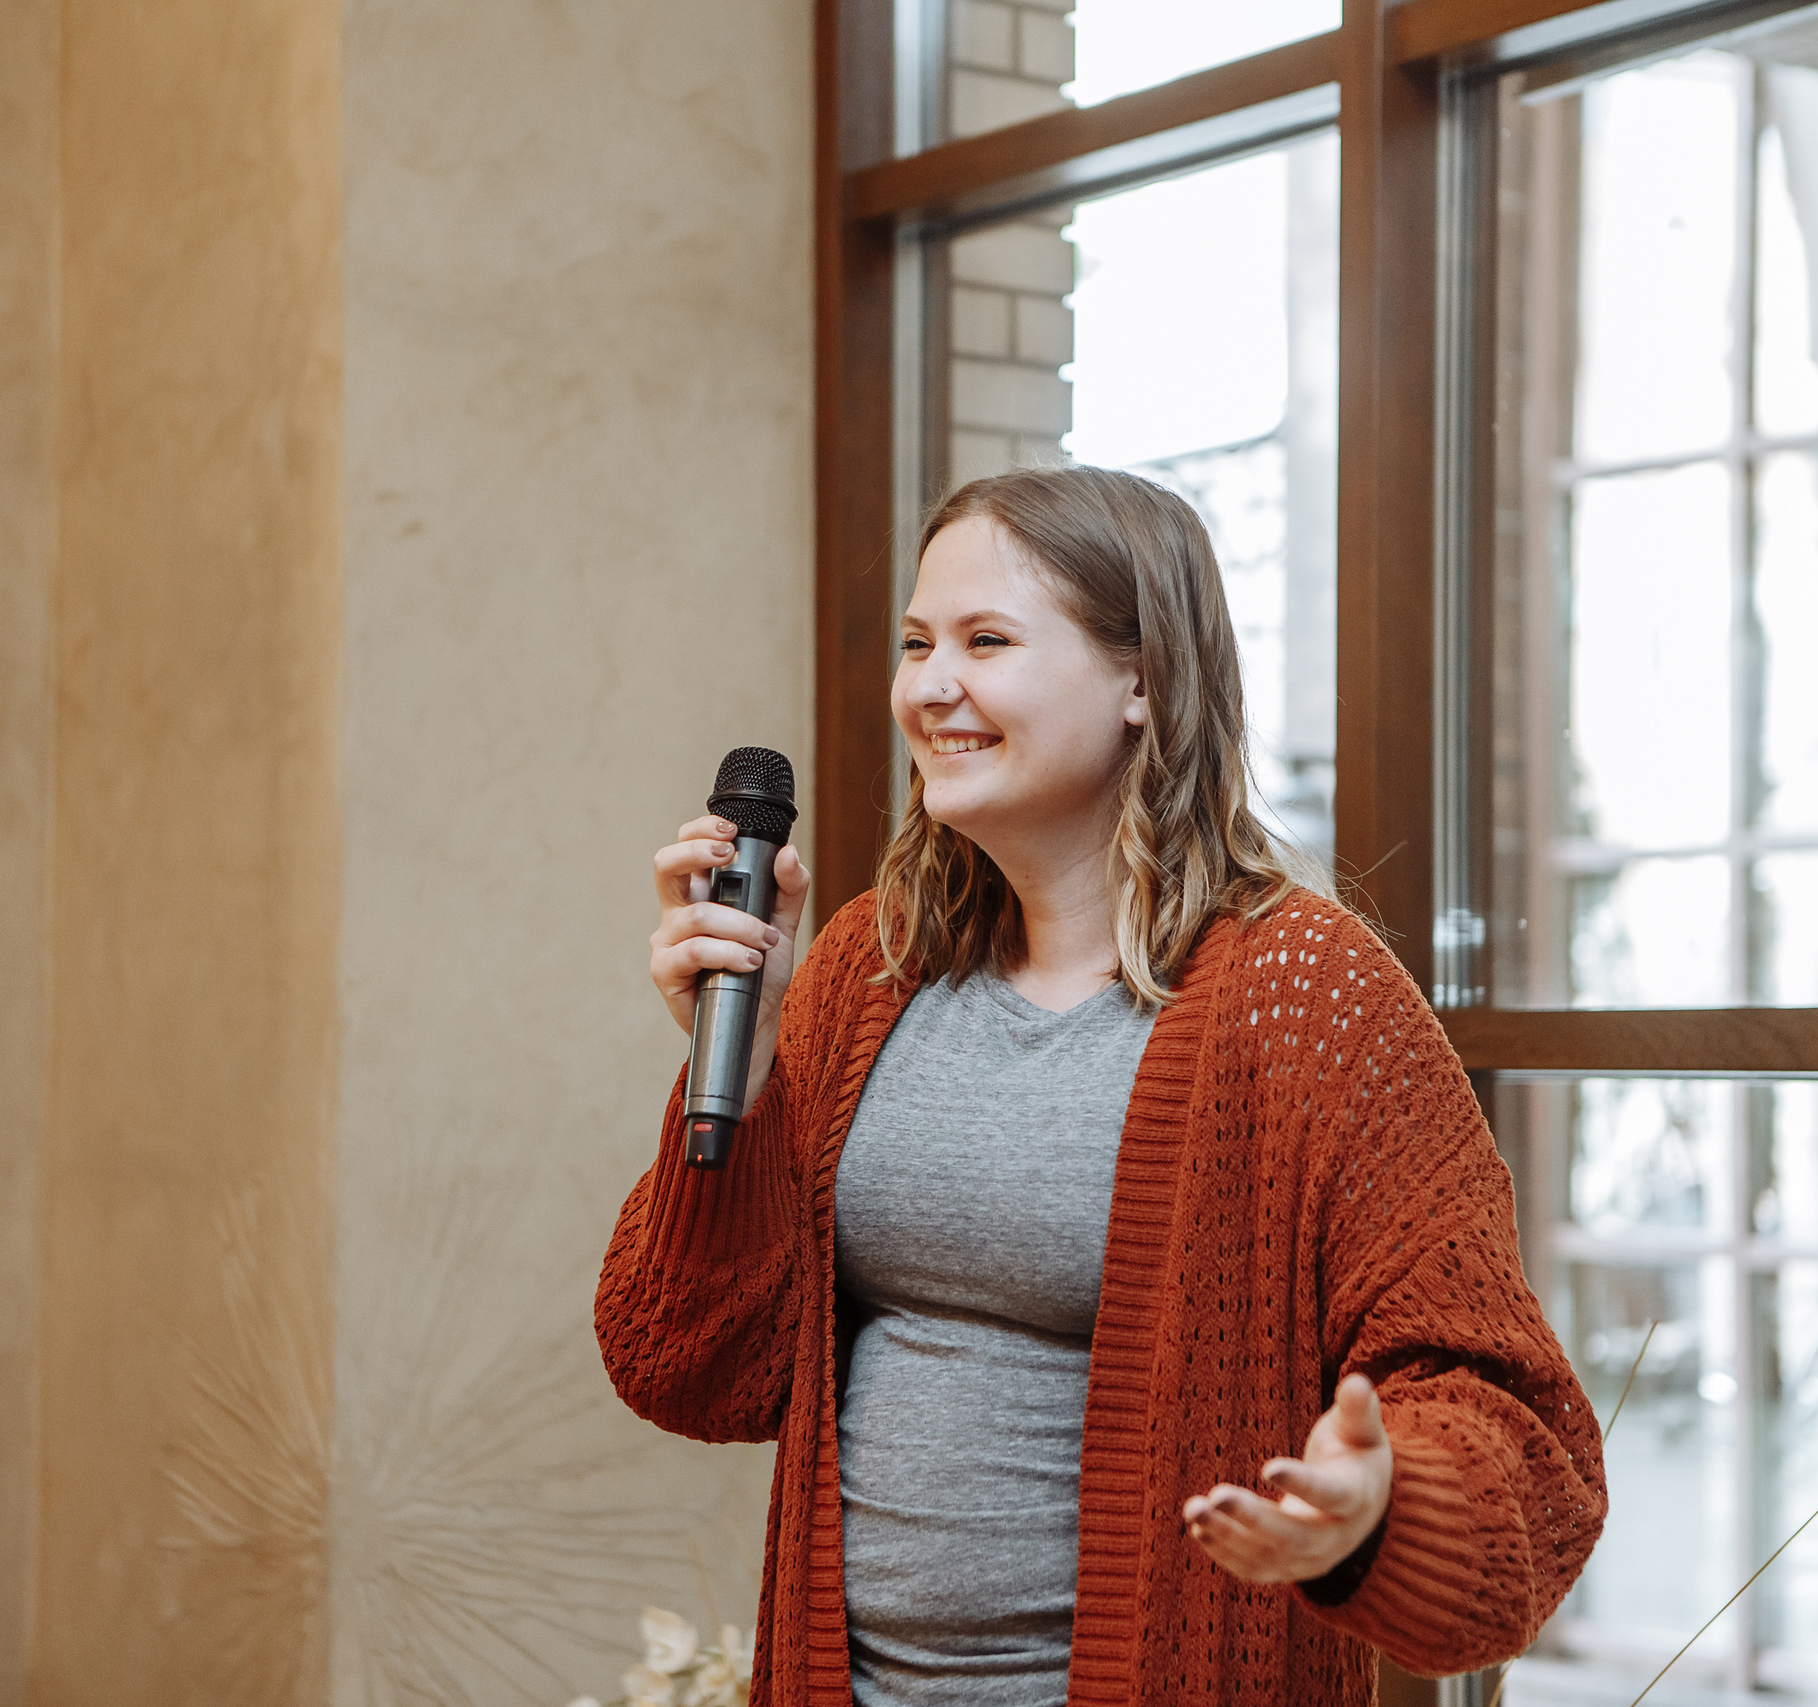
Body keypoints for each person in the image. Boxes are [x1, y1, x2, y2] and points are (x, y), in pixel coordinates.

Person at [597, 465, 1603, 1706]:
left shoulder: (1307, 997)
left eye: (986, 641)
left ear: (1144, 682)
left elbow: (1521, 1439)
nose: (929, 686)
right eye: (915, 643)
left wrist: (1384, 1501)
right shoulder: (869, 964)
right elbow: (691, 1369)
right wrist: (742, 1079)